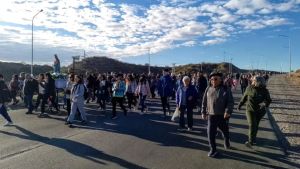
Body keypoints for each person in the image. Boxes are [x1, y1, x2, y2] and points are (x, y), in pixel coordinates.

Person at [201, 72, 234, 158]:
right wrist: (203, 112)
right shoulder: (208, 88)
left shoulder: (226, 89)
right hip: (211, 115)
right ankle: (213, 150)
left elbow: (230, 102)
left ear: (220, 80)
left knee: (225, 131)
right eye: (211, 79)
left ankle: (227, 140)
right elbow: (204, 101)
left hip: (222, 115)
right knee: (210, 133)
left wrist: (228, 111)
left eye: (215, 79)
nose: (213, 81)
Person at [237, 75, 272, 148]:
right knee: (252, 124)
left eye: (254, 81)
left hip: (260, 111)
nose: (252, 81)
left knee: (256, 125)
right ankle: (251, 141)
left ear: (260, 82)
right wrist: (240, 105)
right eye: (253, 80)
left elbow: (269, 100)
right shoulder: (249, 88)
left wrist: (265, 104)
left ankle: (253, 139)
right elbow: (244, 97)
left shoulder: (265, 90)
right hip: (250, 110)